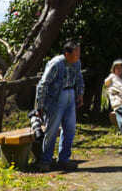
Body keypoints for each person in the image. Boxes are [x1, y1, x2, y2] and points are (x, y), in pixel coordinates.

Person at [34, 41, 85, 172]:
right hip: (56, 99)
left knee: (70, 129)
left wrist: (80, 93)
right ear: (67, 54)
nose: (78, 55)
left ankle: (64, 159)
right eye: (76, 52)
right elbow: (43, 85)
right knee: (52, 130)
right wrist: (40, 105)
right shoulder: (55, 64)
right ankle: (45, 161)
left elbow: (79, 78)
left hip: (70, 96)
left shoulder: (76, 63)